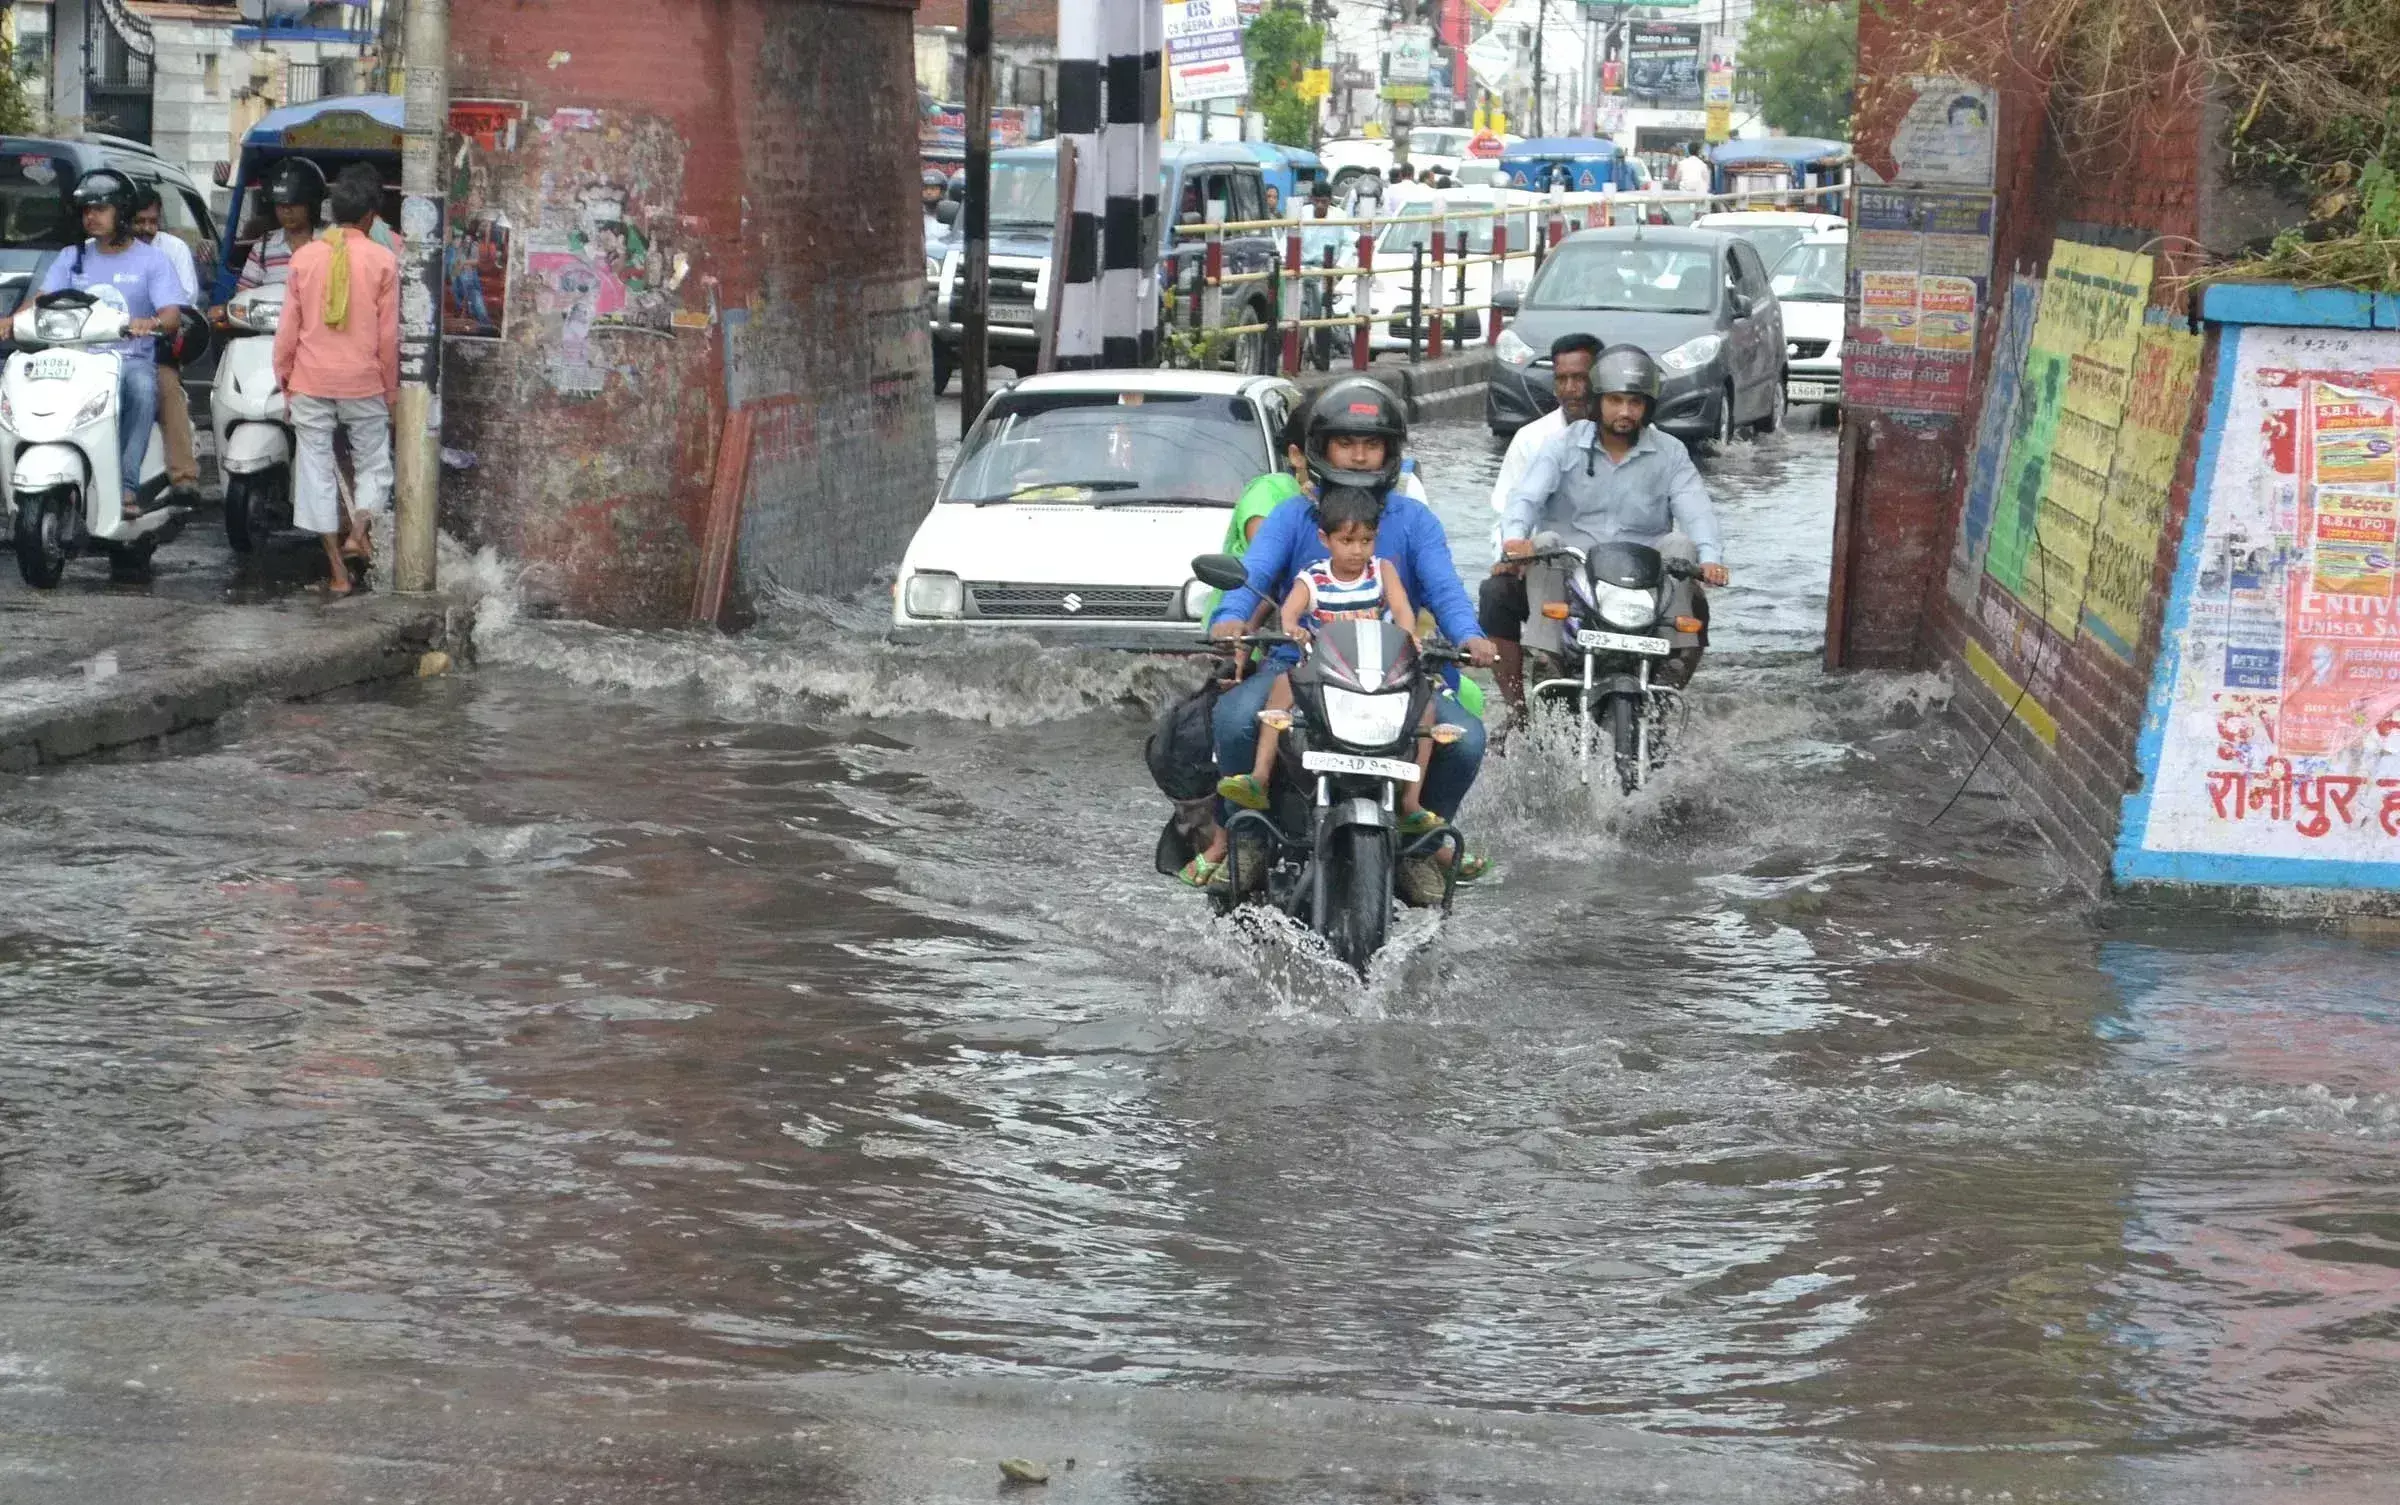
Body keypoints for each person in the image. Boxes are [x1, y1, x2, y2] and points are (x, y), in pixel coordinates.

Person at [1205, 378, 1498, 895]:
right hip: (1299, 670)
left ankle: (1420, 847)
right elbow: (1252, 576)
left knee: (1467, 740)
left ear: (1390, 451)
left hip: (1395, 676)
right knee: (1231, 720)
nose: (1360, 457)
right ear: (1320, 449)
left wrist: (1470, 636)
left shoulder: (1415, 521)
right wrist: (1230, 620)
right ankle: (1246, 838)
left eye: (1372, 444)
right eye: (1347, 443)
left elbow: (1446, 590)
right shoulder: (1292, 516)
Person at [1490, 343, 1731, 702]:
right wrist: (1515, 540)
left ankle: (1672, 660)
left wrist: (1711, 559)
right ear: (1599, 401)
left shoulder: (1671, 453)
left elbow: (1696, 510)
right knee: (1545, 543)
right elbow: (1525, 498)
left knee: (1681, 545)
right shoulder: (1562, 445)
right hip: (1574, 575)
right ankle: (1547, 655)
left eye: (1635, 403)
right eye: (1616, 400)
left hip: (1644, 580)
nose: (1625, 412)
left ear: (1648, 407)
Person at [1218, 485, 1441, 828]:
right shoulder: (1313, 578)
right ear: (1325, 539)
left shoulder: (1382, 571)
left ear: (1376, 538)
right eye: (1347, 541)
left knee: (1424, 705)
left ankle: (1411, 801)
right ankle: (1259, 776)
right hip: (1326, 671)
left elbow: (1402, 610)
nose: (1357, 550)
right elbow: (1290, 613)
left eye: (1366, 541)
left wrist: (1407, 632)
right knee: (1282, 684)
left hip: (1379, 673)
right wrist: (1293, 629)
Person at [274, 162, 399, 596]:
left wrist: (284, 379)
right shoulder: (384, 260)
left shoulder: (304, 257)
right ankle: (358, 528)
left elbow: (287, 331)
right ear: (369, 218)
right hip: (363, 381)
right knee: (374, 465)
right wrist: (391, 390)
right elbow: (387, 337)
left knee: (314, 473)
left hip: (310, 379)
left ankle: (337, 575)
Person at [37, 169, 185, 520]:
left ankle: (127, 486)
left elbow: (172, 315)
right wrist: (12, 320)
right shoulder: (72, 257)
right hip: (75, 361)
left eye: (100, 209)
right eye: (86, 209)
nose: (91, 216)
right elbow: (43, 300)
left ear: (122, 212)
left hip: (128, 361)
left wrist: (150, 322)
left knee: (142, 387)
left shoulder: (152, 260)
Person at [1482, 332, 1599, 706]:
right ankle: (1518, 709)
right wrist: (1513, 553)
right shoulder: (1532, 439)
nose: (1571, 389)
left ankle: (1660, 694)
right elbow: (1506, 511)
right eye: (1562, 379)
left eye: (1581, 378)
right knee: (1495, 594)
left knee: (1691, 606)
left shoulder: (1641, 438)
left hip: (1613, 574)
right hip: (1546, 565)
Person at [129, 185, 203, 506]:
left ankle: (184, 477)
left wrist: (152, 323)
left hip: (155, 345)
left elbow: (184, 300)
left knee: (167, 389)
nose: (147, 228)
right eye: (139, 221)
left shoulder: (170, 250)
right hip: (102, 347)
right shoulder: (88, 251)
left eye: (152, 221)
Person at [217, 158, 326, 318]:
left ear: (311, 204)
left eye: (294, 205)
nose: (287, 212)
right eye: (281, 206)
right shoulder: (263, 247)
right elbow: (243, 294)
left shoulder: (331, 242)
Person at [921, 165, 950, 246]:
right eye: (925, 188)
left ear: (942, 191)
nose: (928, 192)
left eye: (933, 188)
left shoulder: (950, 212)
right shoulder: (913, 213)